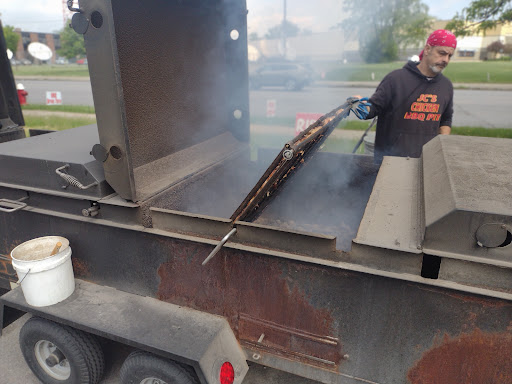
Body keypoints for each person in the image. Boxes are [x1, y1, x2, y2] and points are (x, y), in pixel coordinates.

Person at [363, 29, 457, 162]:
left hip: (425, 162)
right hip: (390, 162)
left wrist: (443, 145)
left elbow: (446, 119)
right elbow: (373, 108)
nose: (445, 60)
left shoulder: (446, 86)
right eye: (442, 53)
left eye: (449, 56)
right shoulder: (396, 79)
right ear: (427, 49)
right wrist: (360, 106)